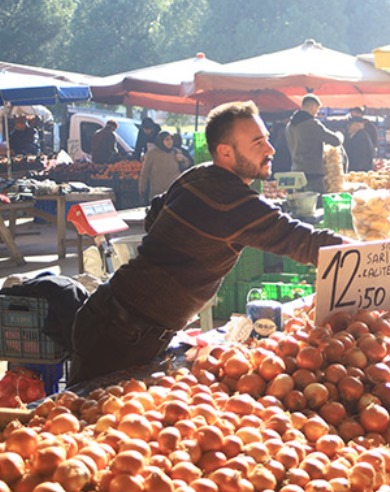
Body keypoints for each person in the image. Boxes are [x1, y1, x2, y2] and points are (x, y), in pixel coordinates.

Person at [70, 101, 347, 384]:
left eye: (266, 138)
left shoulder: (198, 174)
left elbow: (155, 212)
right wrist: (378, 256)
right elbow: (304, 241)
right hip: (123, 331)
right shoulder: (233, 200)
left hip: (114, 315)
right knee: (81, 416)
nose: (270, 149)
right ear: (226, 151)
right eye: (258, 142)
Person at [286, 94, 342, 193]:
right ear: (312, 106)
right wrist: (340, 135)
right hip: (312, 175)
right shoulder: (312, 124)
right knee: (317, 205)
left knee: (300, 205)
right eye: (317, 108)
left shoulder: (289, 126)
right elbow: (335, 140)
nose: (317, 112)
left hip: (295, 172)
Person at [139, 131, 192, 202]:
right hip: (157, 193)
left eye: (171, 139)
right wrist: (142, 188)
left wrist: (182, 159)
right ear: (161, 141)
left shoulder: (176, 152)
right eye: (167, 139)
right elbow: (144, 173)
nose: (170, 142)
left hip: (174, 192)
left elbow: (187, 165)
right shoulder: (152, 154)